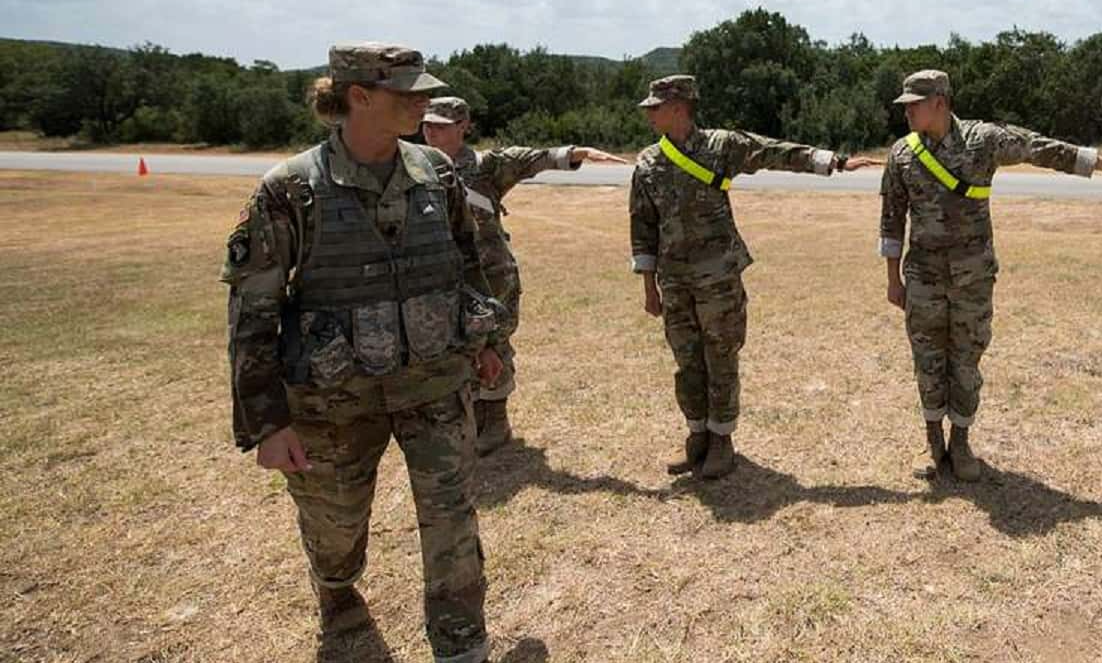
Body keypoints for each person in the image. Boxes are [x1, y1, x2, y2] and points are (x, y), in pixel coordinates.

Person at [222, 42, 507, 663]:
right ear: (359, 97)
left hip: (435, 383)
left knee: (453, 520)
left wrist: (487, 342)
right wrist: (267, 423)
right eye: (408, 93)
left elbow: (466, 264)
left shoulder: (436, 172)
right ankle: (336, 586)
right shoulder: (291, 189)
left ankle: (461, 645)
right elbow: (253, 313)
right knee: (336, 525)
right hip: (333, 399)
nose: (424, 102)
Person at [879, 69, 1102, 482]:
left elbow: (1039, 148)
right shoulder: (902, 153)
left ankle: (961, 441)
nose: (906, 112)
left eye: (913, 104)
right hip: (923, 278)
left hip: (973, 276)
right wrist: (893, 279)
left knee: (967, 359)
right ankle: (932, 441)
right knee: (927, 358)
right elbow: (891, 220)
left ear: (939, 102)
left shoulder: (982, 140)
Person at [628, 74, 880, 479]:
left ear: (678, 107)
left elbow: (772, 151)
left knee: (721, 357)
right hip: (674, 281)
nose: (648, 115)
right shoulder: (648, 162)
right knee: (686, 360)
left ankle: (721, 439)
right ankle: (696, 435)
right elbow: (642, 225)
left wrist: (831, 161)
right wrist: (648, 287)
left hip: (719, 276)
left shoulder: (720, 146)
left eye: (655, 108)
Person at [421, 96, 626, 455]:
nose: (431, 131)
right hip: (445, 275)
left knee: (495, 342)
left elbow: (533, 159)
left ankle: (496, 422)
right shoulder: (417, 167)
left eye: (441, 125)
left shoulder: (486, 166)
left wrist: (577, 153)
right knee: (457, 346)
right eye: (427, 124)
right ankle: (472, 417)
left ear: (463, 126)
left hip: (490, 275)